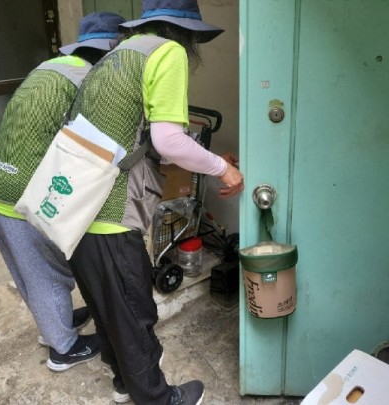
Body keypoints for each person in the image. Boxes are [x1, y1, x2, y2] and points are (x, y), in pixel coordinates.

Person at [66, 1, 244, 403]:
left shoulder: (119, 54)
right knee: (134, 311)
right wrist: (222, 169)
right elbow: (168, 141)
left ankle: (122, 382)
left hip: (76, 206)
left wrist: (207, 156)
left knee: (104, 303)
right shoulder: (169, 52)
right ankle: (160, 399)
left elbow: (139, 138)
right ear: (185, 30)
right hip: (110, 213)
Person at [0, 12, 126, 372]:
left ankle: (56, 325)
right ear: (105, 53)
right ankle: (63, 348)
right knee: (47, 273)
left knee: (27, 271)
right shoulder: (87, 80)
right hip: (18, 193)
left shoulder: (49, 68)